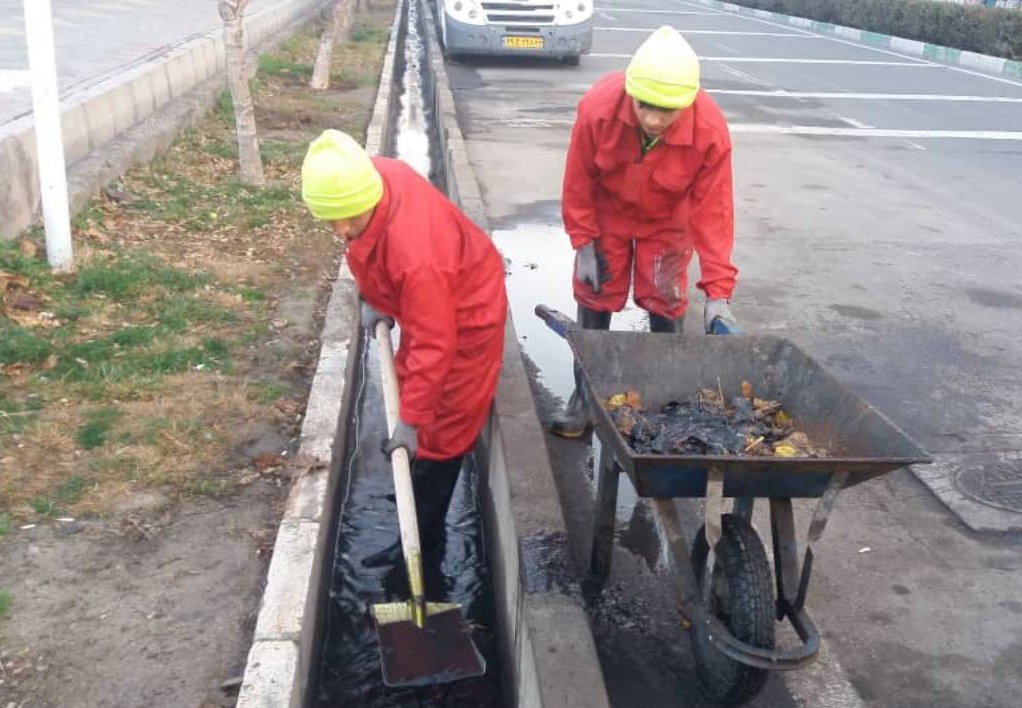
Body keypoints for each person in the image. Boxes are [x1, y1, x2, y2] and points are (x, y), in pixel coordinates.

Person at [300, 129, 508, 542]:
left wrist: (411, 422)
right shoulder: (368, 177)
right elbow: (370, 249)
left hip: (467, 313)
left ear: (369, 197)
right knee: (412, 383)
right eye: (331, 219)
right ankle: (414, 481)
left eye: (350, 218)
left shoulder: (418, 259)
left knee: (445, 425)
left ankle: (425, 535)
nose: (341, 230)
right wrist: (376, 296)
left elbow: (435, 345)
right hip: (431, 300)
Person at [553, 25, 739, 438]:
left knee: (665, 298)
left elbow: (715, 213)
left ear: (686, 102)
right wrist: (583, 244)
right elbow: (578, 179)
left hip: (667, 220)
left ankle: (666, 404)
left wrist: (718, 294)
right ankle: (585, 397)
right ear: (630, 92)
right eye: (644, 106)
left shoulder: (709, 131)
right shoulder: (598, 109)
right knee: (595, 292)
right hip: (608, 214)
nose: (653, 120)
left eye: (666, 111)